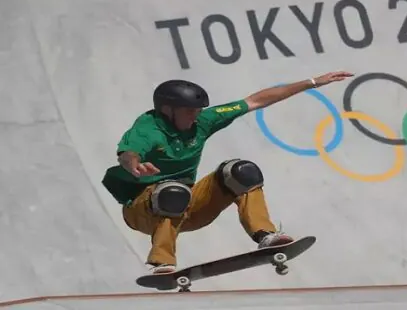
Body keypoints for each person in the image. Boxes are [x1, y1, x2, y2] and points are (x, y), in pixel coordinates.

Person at [101, 71, 353, 275]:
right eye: (190, 112)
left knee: (242, 172)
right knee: (171, 192)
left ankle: (265, 235)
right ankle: (162, 262)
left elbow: (256, 100)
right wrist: (133, 163)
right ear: (168, 110)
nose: (195, 117)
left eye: (198, 111)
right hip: (141, 211)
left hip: (190, 208)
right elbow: (128, 153)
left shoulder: (202, 121)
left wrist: (311, 83)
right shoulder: (149, 128)